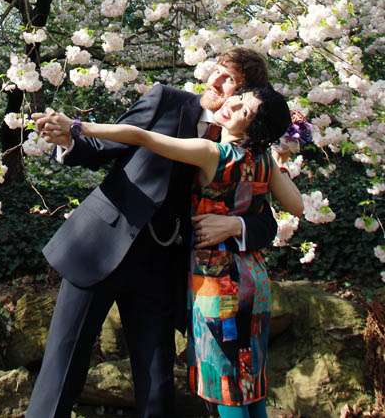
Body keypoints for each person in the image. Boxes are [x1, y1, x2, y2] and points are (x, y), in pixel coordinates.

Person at [26, 47, 280, 418]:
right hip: (101, 245)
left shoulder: (244, 151)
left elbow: (266, 221)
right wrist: (67, 138)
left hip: (164, 268)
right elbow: (102, 146)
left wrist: (235, 225)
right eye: (218, 70)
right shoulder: (166, 101)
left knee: (158, 386)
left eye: (231, 81)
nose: (216, 80)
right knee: (62, 370)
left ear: (244, 98)